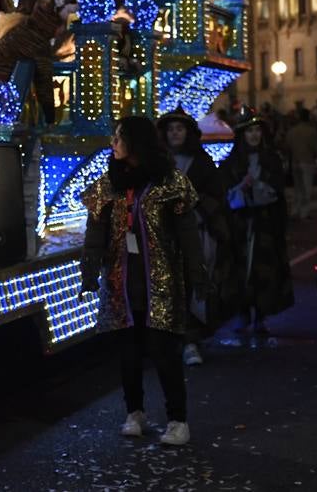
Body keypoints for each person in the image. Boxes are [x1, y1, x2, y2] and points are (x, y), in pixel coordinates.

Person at [80, 115, 206, 447]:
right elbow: (95, 232)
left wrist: (197, 272)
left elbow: (188, 233)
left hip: (160, 286)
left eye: (119, 138)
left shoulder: (170, 183)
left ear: (136, 142)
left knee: (164, 352)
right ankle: (134, 413)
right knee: (129, 353)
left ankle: (178, 420)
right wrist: (89, 271)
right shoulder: (108, 184)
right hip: (121, 285)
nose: (113, 144)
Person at [158, 108, 236, 367]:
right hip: (165, 236)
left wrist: (196, 207)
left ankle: (191, 341)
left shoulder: (202, 162)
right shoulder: (158, 163)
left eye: (179, 129)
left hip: (197, 233)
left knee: (192, 285)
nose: (175, 133)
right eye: (171, 129)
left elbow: (215, 195)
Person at [218, 107, 293, 338]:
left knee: (263, 270)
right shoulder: (232, 163)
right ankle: (243, 313)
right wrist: (241, 188)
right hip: (239, 224)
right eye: (250, 131)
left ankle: (261, 315)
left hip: (265, 224)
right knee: (240, 270)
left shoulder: (271, 160)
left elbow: (278, 190)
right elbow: (224, 192)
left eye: (257, 131)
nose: (254, 135)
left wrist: (260, 187)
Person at [283, 107, 317, 220]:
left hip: (295, 162)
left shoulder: (292, 131)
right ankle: (304, 212)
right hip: (307, 162)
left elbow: (286, 148)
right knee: (306, 189)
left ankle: (295, 210)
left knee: (297, 188)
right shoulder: (312, 131)